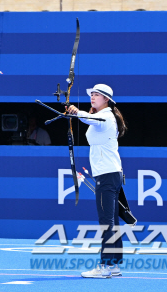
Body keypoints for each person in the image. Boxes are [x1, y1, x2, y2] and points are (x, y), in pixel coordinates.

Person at [66, 84, 127, 279]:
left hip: (108, 175)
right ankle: (115, 264)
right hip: (111, 174)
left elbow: (88, 118)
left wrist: (76, 112)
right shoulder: (104, 117)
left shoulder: (106, 116)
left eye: (97, 95)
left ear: (106, 99)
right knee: (112, 221)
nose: (93, 97)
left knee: (106, 222)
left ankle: (106, 266)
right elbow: (89, 119)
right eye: (92, 94)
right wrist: (78, 114)